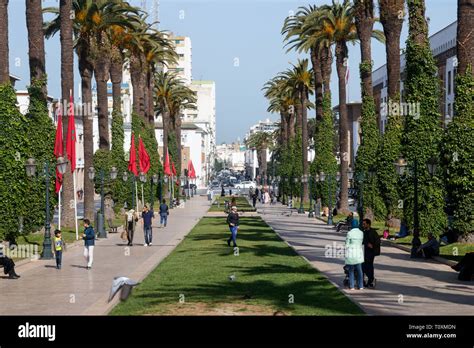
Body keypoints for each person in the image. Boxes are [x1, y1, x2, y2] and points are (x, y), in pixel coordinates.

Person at [344, 219, 364, 290]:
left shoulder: (349, 233)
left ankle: (352, 286)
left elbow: (347, 244)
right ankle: (361, 285)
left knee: (351, 270)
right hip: (359, 253)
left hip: (351, 253)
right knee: (359, 270)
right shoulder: (361, 233)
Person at [361, 218, 380, 288]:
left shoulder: (373, 232)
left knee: (369, 266)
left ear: (368, 224)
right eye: (363, 224)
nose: (363, 225)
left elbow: (378, 241)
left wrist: (372, 245)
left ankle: (371, 280)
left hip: (371, 252)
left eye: (364, 224)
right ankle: (367, 280)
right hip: (364, 252)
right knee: (364, 266)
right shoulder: (364, 232)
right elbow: (363, 241)